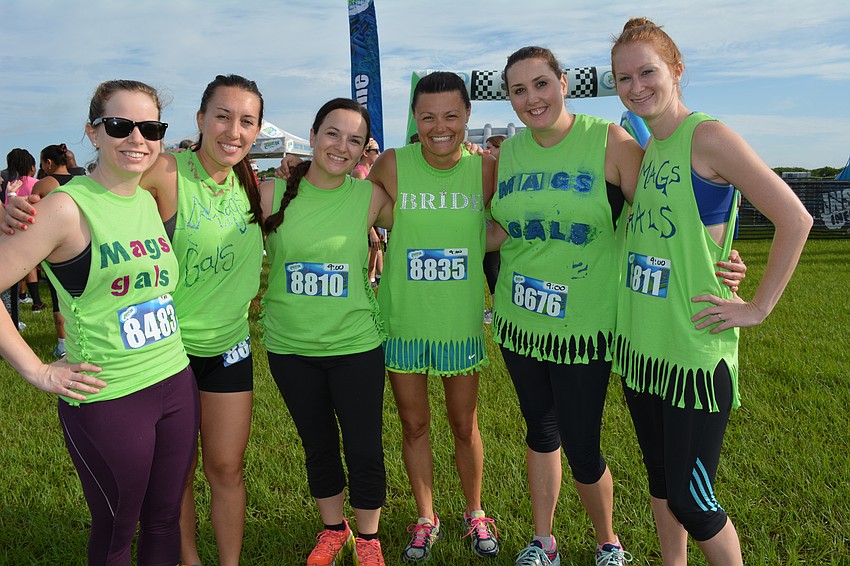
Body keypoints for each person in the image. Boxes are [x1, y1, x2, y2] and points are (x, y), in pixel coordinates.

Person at [488, 46, 747, 566]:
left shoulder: (610, 141)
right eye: (518, 89)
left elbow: (664, 218)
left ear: (564, 83)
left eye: (541, 84)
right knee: (539, 430)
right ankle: (543, 541)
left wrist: (718, 257)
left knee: (581, 443)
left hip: (587, 323)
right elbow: (499, 230)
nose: (532, 98)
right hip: (520, 319)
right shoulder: (507, 154)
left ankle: (608, 541)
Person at [3, 74, 266, 566]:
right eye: (120, 125)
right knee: (118, 529)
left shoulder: (146, 198)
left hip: (174, 378)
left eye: (150, 128)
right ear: (93, 131)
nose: (137, 139)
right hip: (109, 393)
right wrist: (35, 369)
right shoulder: (66, 209)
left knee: (163, 519)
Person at [610, 19, 812, 566]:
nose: (636, 87)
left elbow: (795, 218)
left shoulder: (708, 137)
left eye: (647, 72)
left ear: (676, 70)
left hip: (693, 355)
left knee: (692, 501)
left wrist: (758, 307)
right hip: (644, 351)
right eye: (624, 78)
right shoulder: (652, 147)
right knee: (660, 484)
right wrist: (720, 257)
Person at [367, 71, 500, 562]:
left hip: (457, 323)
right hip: (405, 320)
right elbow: (355, 209)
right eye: (427, 117)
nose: (439, 127)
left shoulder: (486, 170)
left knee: (464, 424)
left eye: (450, 116)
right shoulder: (391, 164)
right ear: (414, 118)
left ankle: (474, 511)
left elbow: (506, 225)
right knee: (414, 425)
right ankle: (426, 517)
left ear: (467, 116)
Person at [261, 97, 394, 566]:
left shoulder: (369, 197)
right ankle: (334, 530)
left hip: (355, 346)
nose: (341, 146)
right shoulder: (270, 193)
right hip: (290, 347)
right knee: (317, 445)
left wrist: (468, 161)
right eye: (332, 133)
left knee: (364, 446)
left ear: (364, 149)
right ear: (314, 135)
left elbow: (430, 213)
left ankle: (369, 538)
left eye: (354, 140)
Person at [32, 143, 78, 357]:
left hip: (56, 249)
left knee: (58, 297)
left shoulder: (44, 184)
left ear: (48, 162)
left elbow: (33, 220)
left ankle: (63, 345)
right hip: (86, 246)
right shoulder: (82, 181)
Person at [352, 138, 385, 287]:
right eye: (376, 151)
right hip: (361, 224)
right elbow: (360, 206)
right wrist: (372, 231)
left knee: (375, 251)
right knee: (364, 264)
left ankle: (372, 281)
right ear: (365, 153)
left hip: (369, 222)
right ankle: (367, 283)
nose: (379, 154)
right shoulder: (359, 172)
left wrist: (376, 229)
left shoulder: (369, 172)